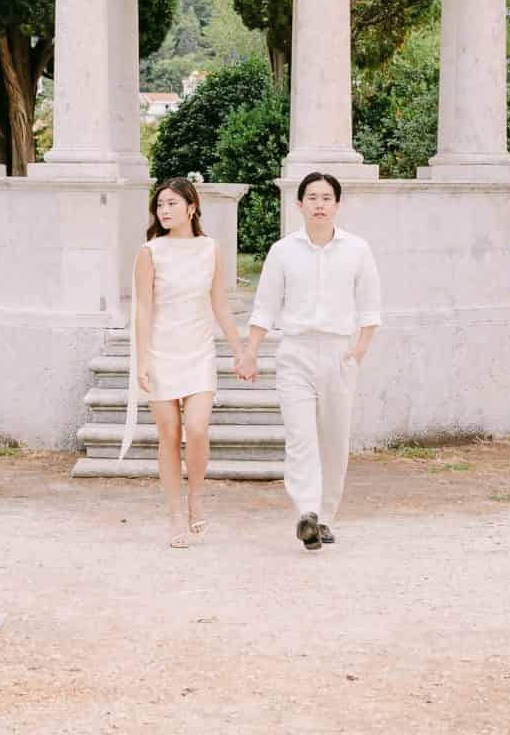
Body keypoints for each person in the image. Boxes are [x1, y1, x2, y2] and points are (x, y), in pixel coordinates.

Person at [240, 172, 381, 552]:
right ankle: (307, 512)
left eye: (326, 197)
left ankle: (327, 517)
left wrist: (359, 350)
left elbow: (370, 308)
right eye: (312, 197)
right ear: (299, 203)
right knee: (300, 438)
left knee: (334, 440)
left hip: (338, 354)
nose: (319, 204)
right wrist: (251, 351)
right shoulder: (283, 251)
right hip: (295, 353)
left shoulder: (357, 250)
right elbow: (265, 307)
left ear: (337, 204)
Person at [124, 175, 255, 547]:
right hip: (161, 353)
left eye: (171, 204)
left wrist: (240, 349)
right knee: (169, 436)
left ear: (191, 207)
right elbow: (144, 309)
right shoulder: (150, 252)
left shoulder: (209, 248)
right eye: (160, 205)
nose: (164, 211)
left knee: (197, 429)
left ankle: (196, 497)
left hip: (199, 352)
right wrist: (143, 359)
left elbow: (220, 304)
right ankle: (176, 515)